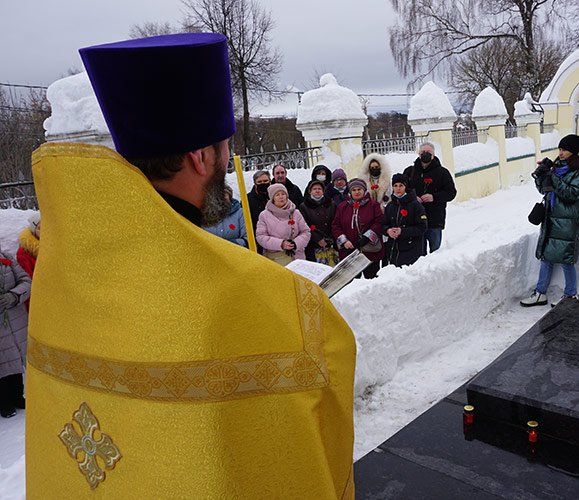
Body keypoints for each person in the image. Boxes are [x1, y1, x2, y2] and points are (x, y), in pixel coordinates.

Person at [27, 33, 355, 499]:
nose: (226, 161)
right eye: (224, 148)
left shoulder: (65, 274)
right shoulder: (260, 296)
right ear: (201, 157)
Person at [520, 134, 579, 307]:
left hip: (569, 223)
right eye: (559, 149)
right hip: (551, 219)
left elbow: (571, 194)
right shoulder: (557, 169)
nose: (560, 153)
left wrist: (552, 177)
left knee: (566, 260)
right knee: (546, 258)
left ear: (573, 152)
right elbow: (546, 191)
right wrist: (542, 175)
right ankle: (540, 294)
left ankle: (570, 296)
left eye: (565, 149)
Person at [403, 141, 457, 254]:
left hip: (434, 220)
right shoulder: (410, 172)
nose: (425, 154)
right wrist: (413, 198)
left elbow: (451, 193)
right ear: (419, 154)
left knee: (435, 253)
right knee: (418, 253)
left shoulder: (442, 173)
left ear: (433, 155)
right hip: (415, 220)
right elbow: (402, 191)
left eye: (428, 152)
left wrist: (434, 197)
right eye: (423, 152)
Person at [332, 178, 384, 279]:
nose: (356, 192)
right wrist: (344, 241)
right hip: (350, 251)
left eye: (359, 189)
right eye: (354, 190)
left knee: (371, 280)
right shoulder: (342, 207)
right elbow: (336, 225)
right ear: (350, 192)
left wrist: (367, 237)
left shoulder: (373, 205)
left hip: (369, 250)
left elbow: (379, 222)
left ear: (364, 191)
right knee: (352, 282)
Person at [0, 249, 30, 418]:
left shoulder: (6, 257)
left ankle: (18, 396)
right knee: (2, 361)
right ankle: (4, 402)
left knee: (16, 358)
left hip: (15, 318)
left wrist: (14, 296)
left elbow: (26, 281)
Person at [256, 183, 311, 265]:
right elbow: (261, 237)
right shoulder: (264, 215)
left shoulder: (296, 213)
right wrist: (281, 244)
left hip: (296, 258)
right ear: (272, 198)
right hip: (275, 260)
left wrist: (296, 243)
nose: (281, 197)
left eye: (283, 194)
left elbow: (306, 232)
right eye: (277, 195)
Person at [383, 173, 427, 267]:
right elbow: (383, 224)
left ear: (406, 187)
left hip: (411, 249)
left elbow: (422, 227)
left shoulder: (415, 205)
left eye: (401, 185)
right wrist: (388, 231)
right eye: (395, 186)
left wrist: (402, 231)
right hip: (394, 251)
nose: (398, 188)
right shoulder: (390, 206)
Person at [299, 179, 338, 266]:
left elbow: (336, 222)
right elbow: (304, 225)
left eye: (319, 189)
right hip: (313, 245)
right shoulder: (304, 206)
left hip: (330, 244)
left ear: (323, 191)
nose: (317, 191)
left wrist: (330, 238)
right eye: (314, 189)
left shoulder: (331, 204)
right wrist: (318, 239)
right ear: (310, 191)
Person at [16, 212, 39, 310]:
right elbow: (27, 281)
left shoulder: (57, 246)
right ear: (34, 230)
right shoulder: (25, 251)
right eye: (40, 228)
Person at [246, 169, 271, 253]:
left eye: (265, 181)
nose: (263, 184)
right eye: (259, 182)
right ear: (255, 183)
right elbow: (247, 222)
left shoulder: (276, 195)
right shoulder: (247, 199)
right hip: (258, 239)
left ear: (270, 181)